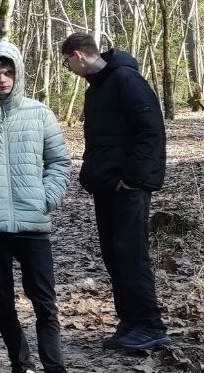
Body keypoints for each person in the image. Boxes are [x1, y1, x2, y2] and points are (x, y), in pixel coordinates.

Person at [0, 43, 86, 373]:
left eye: (8, 72)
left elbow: (59, 161)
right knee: (3, 303)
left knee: (44, 305)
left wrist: (45, 198)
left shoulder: (39, 113)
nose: (2, 79)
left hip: (33, 226)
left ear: (18, 73)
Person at [59, 31, 169, 351]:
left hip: (128, 188)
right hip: (106, 186)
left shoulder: (125, 79)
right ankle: (130, 321)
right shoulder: (97, 87)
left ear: (78, 55)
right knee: (114, 255)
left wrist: (133, 178)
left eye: (66, 63)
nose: (68, 69)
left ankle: (149, 324)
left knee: (131, 254)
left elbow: (151, 131)